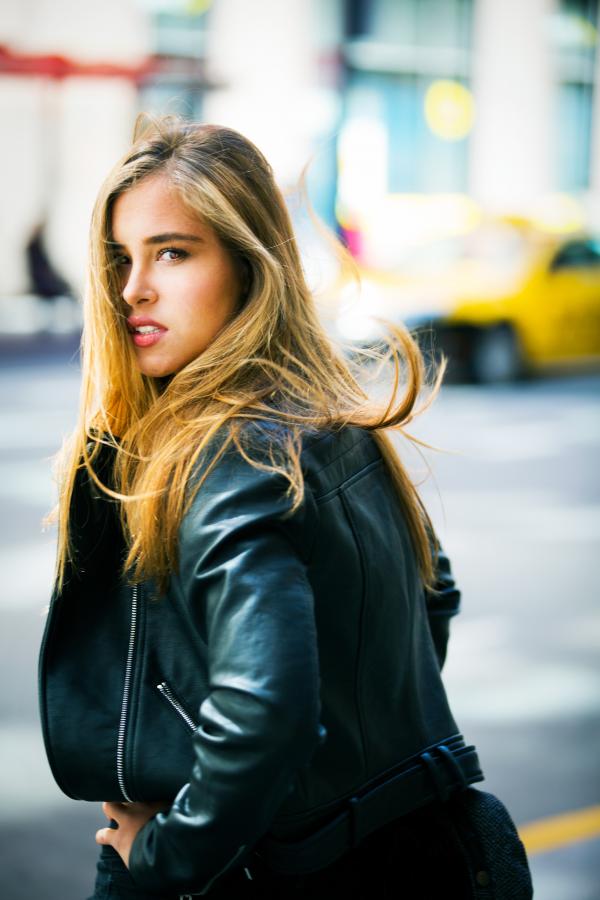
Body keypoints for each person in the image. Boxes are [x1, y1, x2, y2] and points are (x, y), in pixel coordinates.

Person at [39, 113, 487, 900]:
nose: (131, 288)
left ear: (249, 265)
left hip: (295, 870)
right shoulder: (325, 417)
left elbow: (268, 714)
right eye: (118, 257)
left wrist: (166, 854)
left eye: (172, 253)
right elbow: (432, 598)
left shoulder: (228, 449)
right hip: (437, 843)